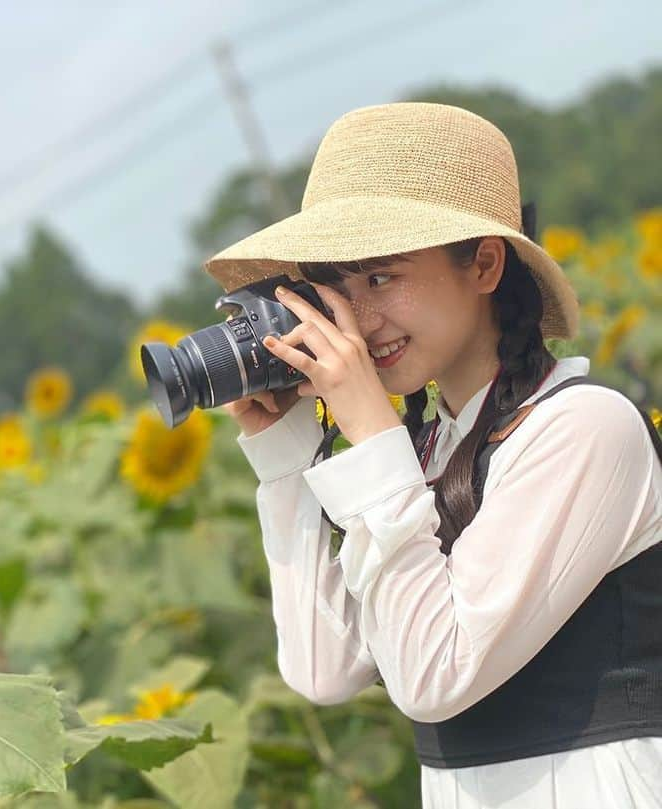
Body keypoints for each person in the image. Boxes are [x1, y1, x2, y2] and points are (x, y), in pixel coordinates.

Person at [210, 102, 662, 808]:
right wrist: (286, 457)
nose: (358, 321)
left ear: (484, 263)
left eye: (382, 277)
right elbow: (324, 669)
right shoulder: (423, 456)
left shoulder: (585, 429)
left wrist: (371, 436)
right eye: (338, 287)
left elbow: (432, 677)